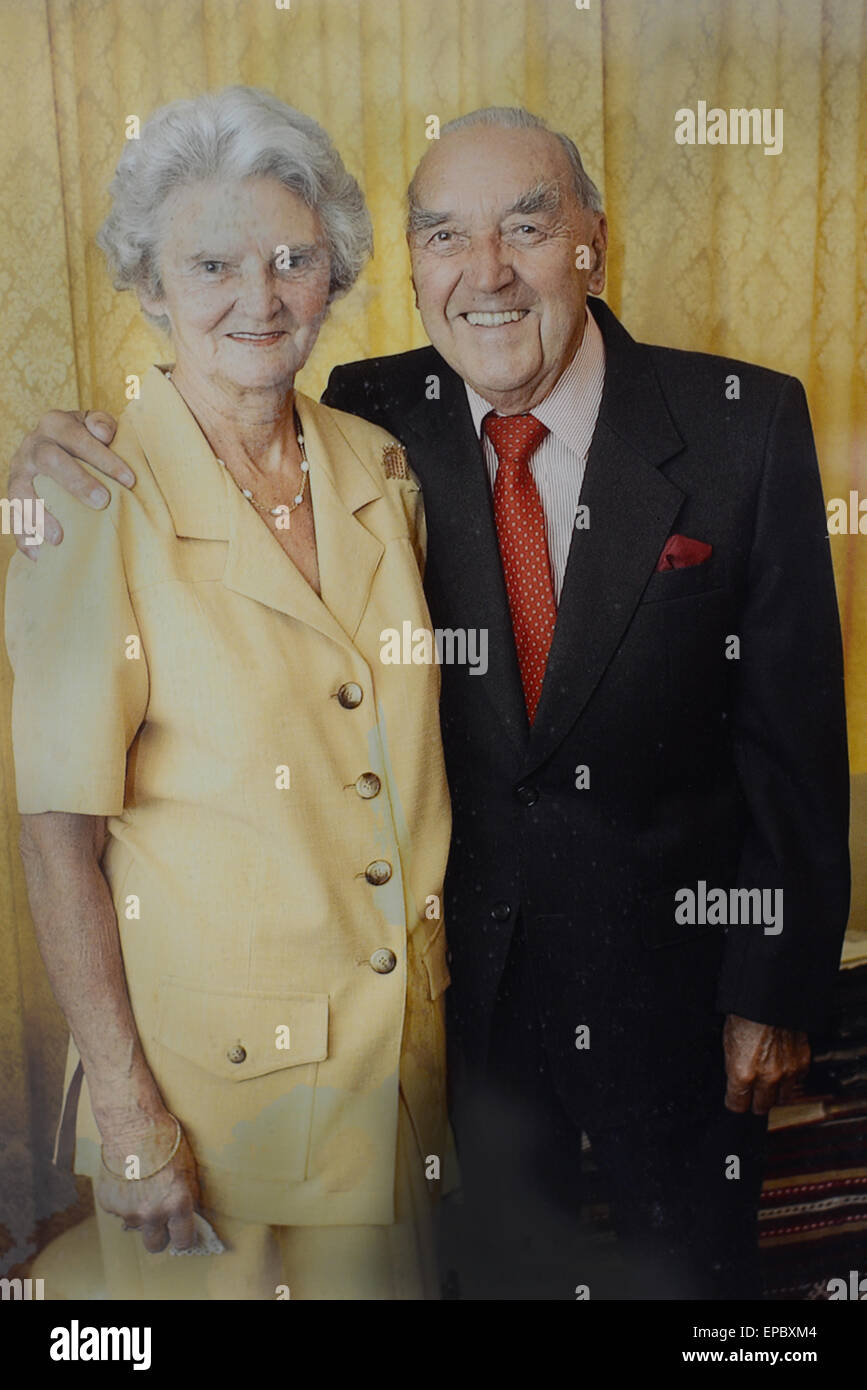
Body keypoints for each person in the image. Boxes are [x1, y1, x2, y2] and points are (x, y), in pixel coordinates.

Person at [8, 106, 850, 1301]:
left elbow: (795, 734)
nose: (487, 272)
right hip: (449, 1040)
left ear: (592, 242)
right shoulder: (365, 419)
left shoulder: (729, 425)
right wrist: (45, 459)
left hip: (671, 1000)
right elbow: (64, 826)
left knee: (698, 1295)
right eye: (446, 234)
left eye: (527, 224)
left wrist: (774, 983)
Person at [4, 86, 454, 1302]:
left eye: (291, 260)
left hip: (393, 1076)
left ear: (334, 274)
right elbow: (59, 841)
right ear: (149, 287)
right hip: (209, 1109)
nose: (256, 299)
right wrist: (133, 1117)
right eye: (210, 264)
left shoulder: (379, 465)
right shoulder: (86, 499)